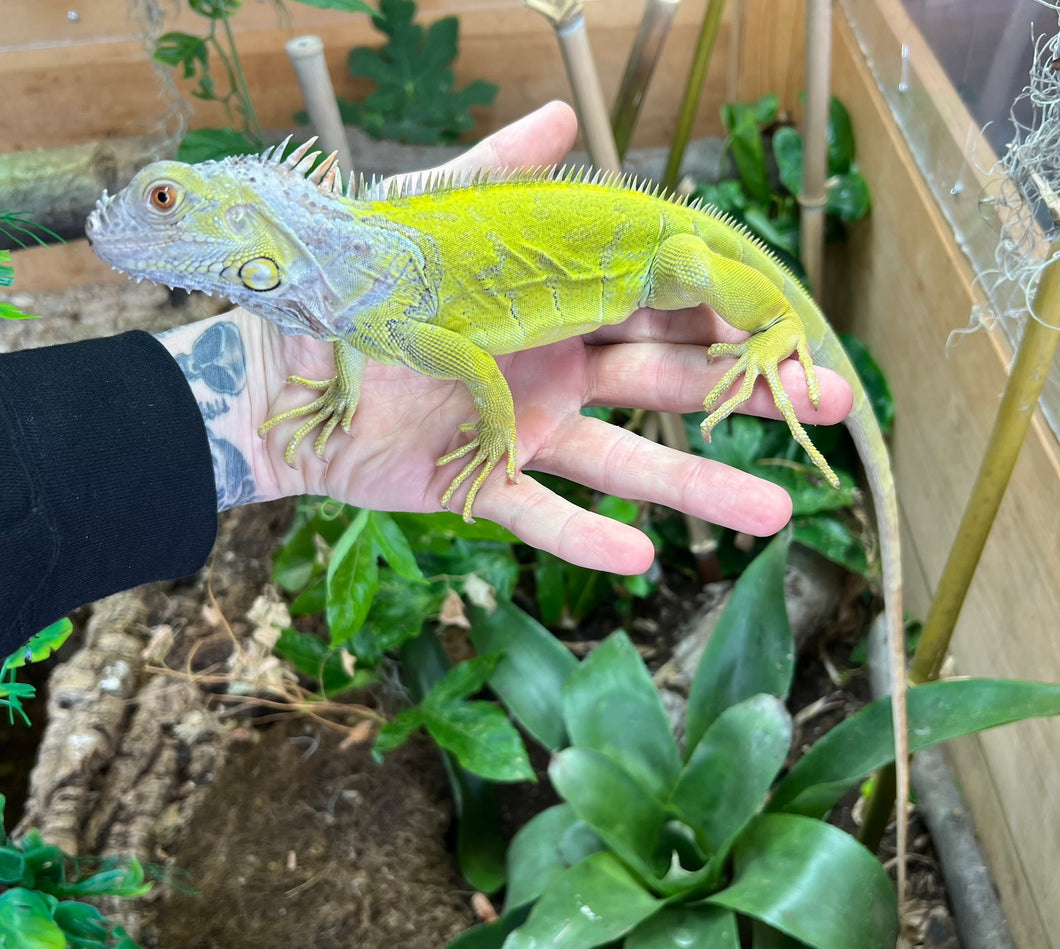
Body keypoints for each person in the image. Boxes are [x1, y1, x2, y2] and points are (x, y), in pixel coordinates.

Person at [0, 102, 852, 657]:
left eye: (166, 205)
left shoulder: (371, 303)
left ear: (243, 221)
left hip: (647, 254)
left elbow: (476, 364)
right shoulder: (342, 296)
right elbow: (325, 319)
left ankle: (777, 319)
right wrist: (332, 386)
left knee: (685, 270)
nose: (153, 223)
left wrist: (494, 433)